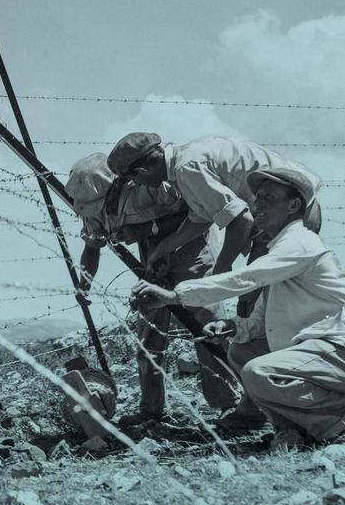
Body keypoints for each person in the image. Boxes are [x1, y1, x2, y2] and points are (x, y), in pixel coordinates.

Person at [131, 167, 345, 449]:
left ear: (294, 206)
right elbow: (264, 319)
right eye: (257, 196)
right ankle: (293, 429)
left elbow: (245, 278)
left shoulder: (299, 243)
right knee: (242, 350)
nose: (257, 203)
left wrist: (174, 295)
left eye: (268, 198)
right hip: (321, 353)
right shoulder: (279, 251)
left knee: (258, 372)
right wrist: (234, 327)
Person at [66, 153, 239, 427]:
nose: (96, 210)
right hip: (149, 259)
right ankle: (151, 410)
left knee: (206, 326)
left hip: (190, 251)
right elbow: (92, 246)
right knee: (149, 333)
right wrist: (83, 282)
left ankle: (228, 404)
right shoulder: (92, 209)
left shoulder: (149, 185)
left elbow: (193, 214)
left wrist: (149, 228)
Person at [107, 134, 323, 316]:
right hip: (289, 211)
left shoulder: (187, 169)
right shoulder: (185, 161)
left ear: (141, 172)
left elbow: (241, 220)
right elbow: (201, 217)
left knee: (253, 307)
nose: (140, 186)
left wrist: (218, 277)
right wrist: (164, 249)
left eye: (136, 181)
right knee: (259, 306)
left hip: (290, 212)